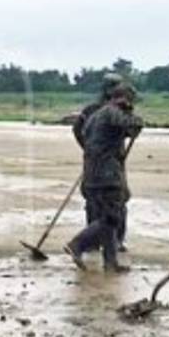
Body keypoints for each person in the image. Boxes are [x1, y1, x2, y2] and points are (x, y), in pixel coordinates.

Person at [64, 83, 143, 273]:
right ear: (122, 99)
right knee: (111, 218)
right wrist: (134, 117)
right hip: (107, 174)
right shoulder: (111, 112)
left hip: (92, 173)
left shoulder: (94, 117)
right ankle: (78, 243)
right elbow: (132, 124)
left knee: (107, 219)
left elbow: (84, 134)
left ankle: (110, 262)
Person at [72, 72, 129, 249]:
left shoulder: (105, 109)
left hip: (106, 161)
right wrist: (93, 150)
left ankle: (109, 242)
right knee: (107, 202)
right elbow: (77, 130)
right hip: (106, 164)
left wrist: (91, 151)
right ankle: (105, 242)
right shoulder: (99, 110)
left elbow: (77, 131)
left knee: (105, 201)